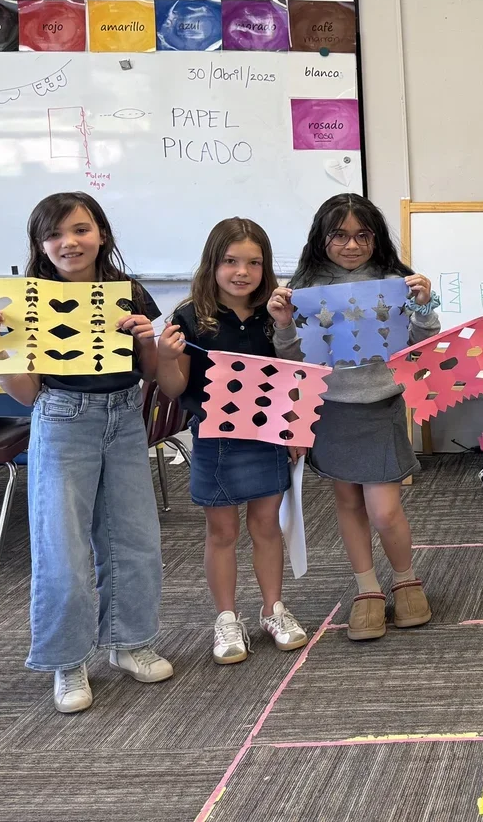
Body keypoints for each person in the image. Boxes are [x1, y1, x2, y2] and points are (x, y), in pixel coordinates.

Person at [0, 193, 169, 713]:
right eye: (54, 234)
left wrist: (148, 339)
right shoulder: (25, 302)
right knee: (62, 547)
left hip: (125, 418)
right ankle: (69, 659)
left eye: (81, 230)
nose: (69, 242)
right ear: (41, 244)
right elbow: (26, 392)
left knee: (134, 537)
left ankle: (130, 643)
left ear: (101, 234)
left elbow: (150, 373)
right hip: (61, 418)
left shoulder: (129, 293)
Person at [270, 195, 440, 641]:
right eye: (340, 236)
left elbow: (421, 343)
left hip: (380, 405)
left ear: (376, 237)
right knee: (348, 504)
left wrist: (423, 304)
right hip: (331, 410)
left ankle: (405, 578)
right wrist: (284, 324)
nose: (351, 245)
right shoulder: (304, 285)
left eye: (362, 235)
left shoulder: (394, 279)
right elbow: (290, 358)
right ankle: (366, 589)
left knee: (384, 510)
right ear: (322, 239)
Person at [156, 218, 308, 665]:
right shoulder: (188, 318)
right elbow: (172, 386)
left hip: (267, 435)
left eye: (254, 263)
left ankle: (273, 609)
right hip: (214, 439)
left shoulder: (273, 314)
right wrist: (166, 355)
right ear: (212, 263)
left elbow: (294, 374)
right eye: (230, 261)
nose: (242, 272)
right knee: (221, 531)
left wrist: (296, 427)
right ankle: (226, 616)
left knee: (267, 526)